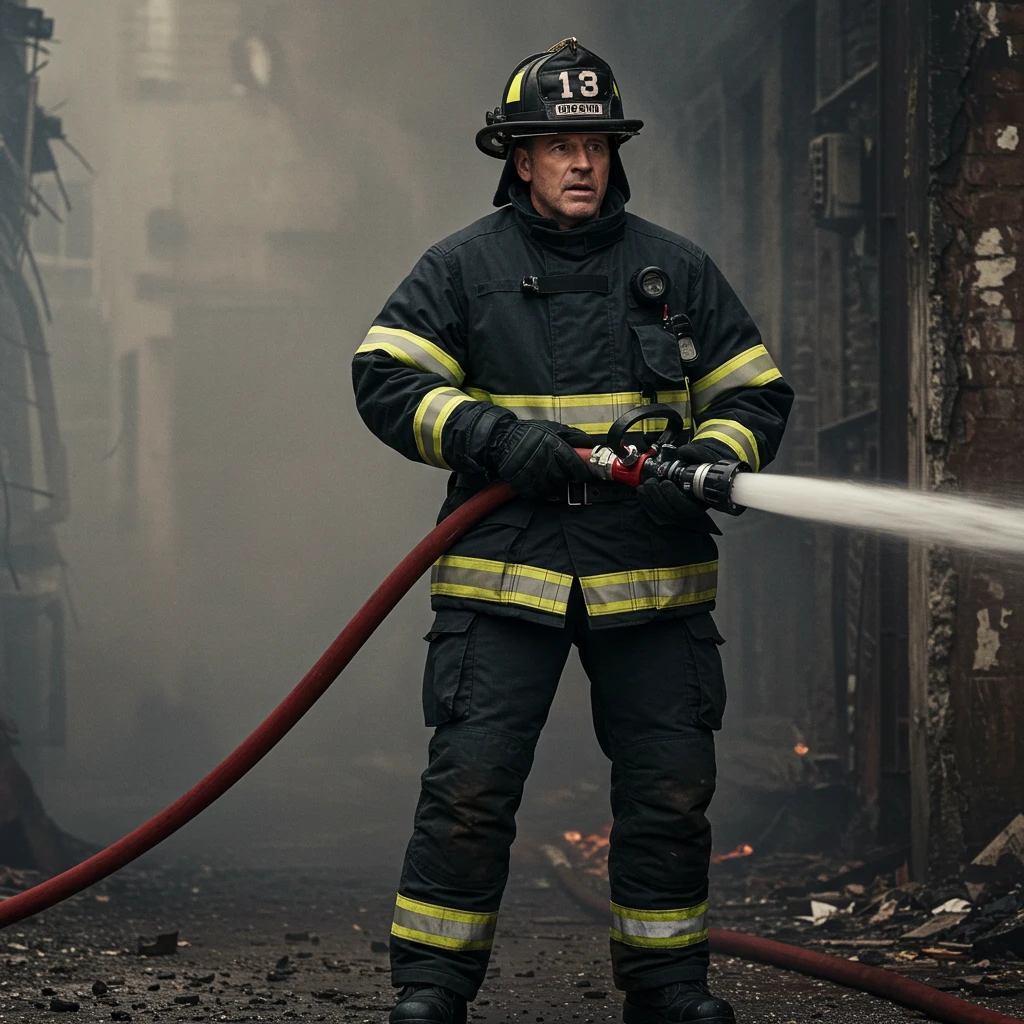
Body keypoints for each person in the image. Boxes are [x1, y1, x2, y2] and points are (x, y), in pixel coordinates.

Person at [352, 37, 793, 1024]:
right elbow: (385, 377)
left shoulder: (675, 269)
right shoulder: (462, 270)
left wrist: (708, 461)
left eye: (594, 141)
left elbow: (754, 393)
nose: (581, 161)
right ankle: (431, 990)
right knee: (469, 788)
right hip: (503, 576)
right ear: (517, 156)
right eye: (556, 143)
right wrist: (491, 436)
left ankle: (668, 987)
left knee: (669, 794)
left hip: (651, 577)